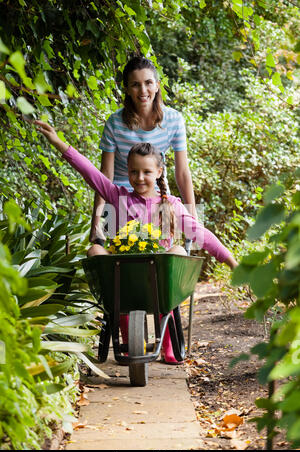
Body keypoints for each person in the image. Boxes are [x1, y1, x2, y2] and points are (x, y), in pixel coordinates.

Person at [34, 120, 238, 364]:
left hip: (160, 282)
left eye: (147, 172)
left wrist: (231, 261)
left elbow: (201, 234)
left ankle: (168, 339)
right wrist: (58, 142)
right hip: (124, 279)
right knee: (96, 249)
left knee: (178, 249)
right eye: (134, 172)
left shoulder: (171, 205)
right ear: (127, 172)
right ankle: (129, 335)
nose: (139, 178)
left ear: (159, 172)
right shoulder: (117, 197)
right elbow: (89, 172)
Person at [89, 56, 197, 254]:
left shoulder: (173, 120)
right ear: (127, 90)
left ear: (157, 85)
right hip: (121, 200)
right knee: (122, 257)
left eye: (148, 83)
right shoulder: (115, 123)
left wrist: (193, 219)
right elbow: (105, 175)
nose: (143, 91)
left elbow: (182, 173)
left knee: (162, 256)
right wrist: (96, 221)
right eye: (135, 85)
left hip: (157, 196)